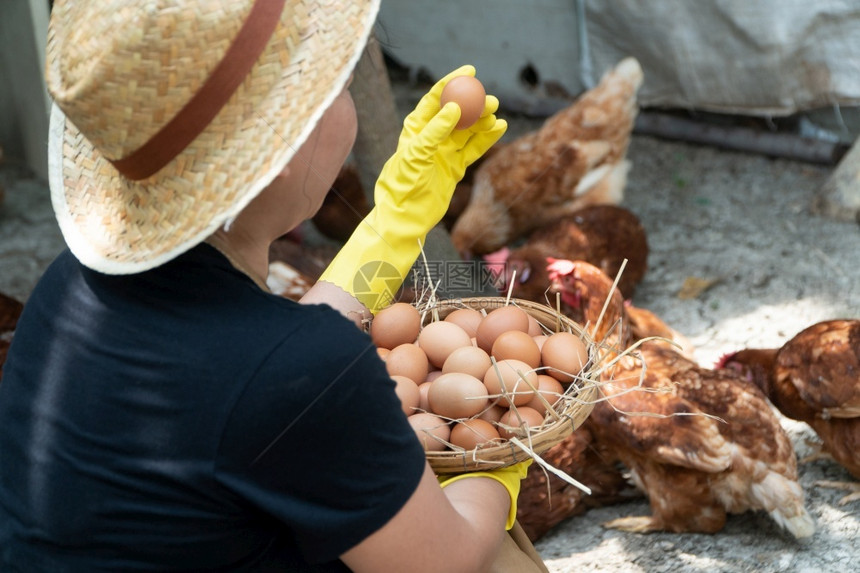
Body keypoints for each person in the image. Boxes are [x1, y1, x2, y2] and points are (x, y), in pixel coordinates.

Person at [0, 1, 548, 571]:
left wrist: (393, 227)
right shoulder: (295, 373)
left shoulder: (69, 292)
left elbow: (261, 371)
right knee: (499, 560)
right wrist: (498, 458)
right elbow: (441, 561)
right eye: (337, 83)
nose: (349, 94)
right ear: (281, 151)